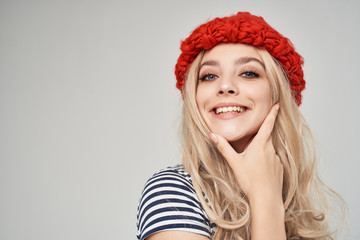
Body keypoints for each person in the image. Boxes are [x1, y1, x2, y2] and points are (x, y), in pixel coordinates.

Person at [136, 12, 346, 240]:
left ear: (278, 94)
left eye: (248, 73)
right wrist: (264, 196)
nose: (225, 85)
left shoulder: (294, 203)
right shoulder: (171, 193)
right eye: (208, 76)